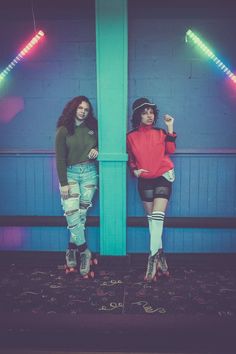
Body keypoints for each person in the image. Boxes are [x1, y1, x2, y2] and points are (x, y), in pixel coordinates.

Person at [127, 97, 176, 282]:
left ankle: (151, 260)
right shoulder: (130, 136)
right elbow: (131, 159)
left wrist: (170, 127)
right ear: (137, 115)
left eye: (151, 112)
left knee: (157, 219)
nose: (149, 115)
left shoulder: (160, 132)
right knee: (153, 223)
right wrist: (135, 170)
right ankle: (161, 258)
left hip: (163, 176)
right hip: (145, 180)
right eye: (144, 112)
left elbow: (170, 149)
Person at [55, 96, 98, 276]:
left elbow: (103, 143)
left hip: (89, 173)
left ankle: (70, 249)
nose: (83, 112)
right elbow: (60, 158)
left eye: (86, 109)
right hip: (70, 174)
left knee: (81, 216)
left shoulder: (92, 128)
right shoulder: (63, 130)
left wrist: (99, 149)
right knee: (72, 214)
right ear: (73, 109)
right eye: (80, 108)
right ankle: (84, 251)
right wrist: (63, 183)